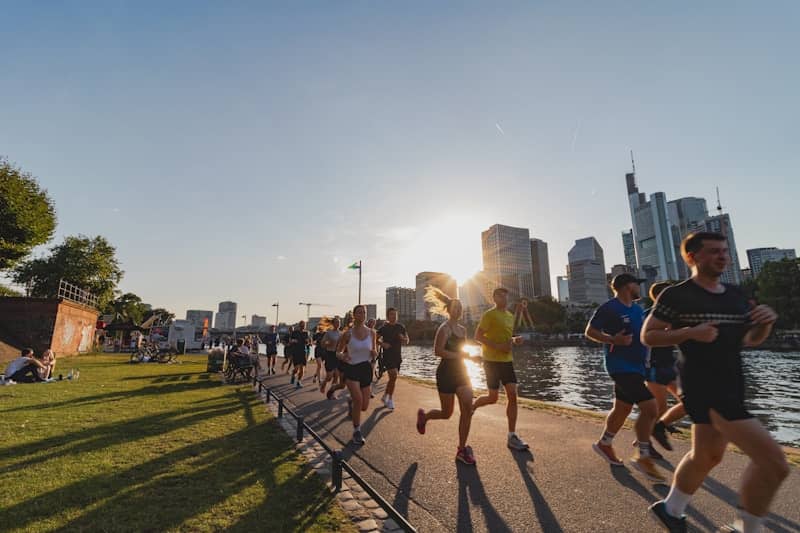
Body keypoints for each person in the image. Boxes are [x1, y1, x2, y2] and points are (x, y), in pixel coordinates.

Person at [644, 232, 789, 532]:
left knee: (707, 455)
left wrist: (765, 324)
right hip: (704, 387)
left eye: (724, 251)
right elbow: (649, 335)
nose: (722, 256)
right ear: (692, 257)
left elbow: (749, 340)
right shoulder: (676, 295)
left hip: (732, 383)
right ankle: (747, 527)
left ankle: (671, 510)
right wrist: (689, 333)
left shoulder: (736, 295)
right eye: (713, 251)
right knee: (774, 463)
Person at [585, 273, 666, 483]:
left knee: (623, 408)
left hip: (637, 367)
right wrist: (613, 339)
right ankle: (643, 455)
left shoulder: (638, 310)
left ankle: (605, 443)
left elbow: (644, 336)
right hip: (619, 366)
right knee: (650, 408)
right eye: (635, 284)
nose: (639, 287)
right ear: (624, 286)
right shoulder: (609, 307)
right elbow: (590, 331)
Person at [416, 288, 478, 465]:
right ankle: (425, 417)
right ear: (448, 310)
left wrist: (472, 358)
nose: (458, 310)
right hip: (446, 374)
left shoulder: (463, 330)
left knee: (467, 406)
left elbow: (462, 352)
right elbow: (438, 351)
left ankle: (461, 448)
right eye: (455, 307)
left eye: (460, 307)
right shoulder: (444, 328)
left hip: (461, 372)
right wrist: (461, 356)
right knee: (446, 413)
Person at [471, 287, 529, 452]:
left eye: (506, 296)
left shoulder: (510, 316)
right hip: (491, 361)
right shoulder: (489, 315)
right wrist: (497, 347)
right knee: (493, 398)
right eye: (501, 295)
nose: (504, 298)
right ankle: (473, 406)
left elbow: (506, 338)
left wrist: (514, 340)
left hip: (507, 361)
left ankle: (512, 436)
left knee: (512, 394)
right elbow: (478, 336)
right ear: (494, 298)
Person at [645, 281, 686, 453]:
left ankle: (664, 424)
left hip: (670, 365)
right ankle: (644, 442)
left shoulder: (675, 315)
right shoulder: (648, 316)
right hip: (653, 366)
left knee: (689, 401)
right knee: (659, 407)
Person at [336, 305, 377, 445]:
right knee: (359, 400)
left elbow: (374, 350)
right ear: (354, 315)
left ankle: (351, 403)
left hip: (366, 369)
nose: (362, 314)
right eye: (359, 312)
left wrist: (374, 353)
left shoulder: (372, 333)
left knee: (364, 406)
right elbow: (338, 352)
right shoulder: (347, 334)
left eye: (364, 312)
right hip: (352, 368)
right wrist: (343, 357)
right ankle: (356, 432)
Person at [376, 307, 409, 410]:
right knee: (393, 376)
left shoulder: (401, 327)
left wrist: (403, 339)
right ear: (388, 316)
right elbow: (374, 339)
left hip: (397, 356)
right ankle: (390, 399)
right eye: (391, 314)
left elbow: (407, 340)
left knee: (392, 379)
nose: (393, 316)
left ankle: (385, 396)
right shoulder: (384, 328)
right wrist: (382, 343)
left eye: (395, 315)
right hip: (388, 356)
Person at [319, 317, 343, 397]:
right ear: (333, 324)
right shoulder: (329, 333)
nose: (338, 324)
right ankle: (324, 383)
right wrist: (328, 344)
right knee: (329, 376)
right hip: (330, 354)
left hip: (337, 355)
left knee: (336, 375)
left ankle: (331, 392)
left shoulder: (341, 333)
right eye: (336, 322)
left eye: (339, 322)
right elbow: (322, 344)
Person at [289, 321, 310, 389]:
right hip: (296, 352)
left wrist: (307, 342)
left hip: (303, 351)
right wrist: (293, 341)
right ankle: (293, 375)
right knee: (296, 368)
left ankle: (299, 381)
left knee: (302, 368)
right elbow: (290, 340)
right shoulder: (295, 332)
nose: (302, 326)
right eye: (301, 325)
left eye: (304, 325)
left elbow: (307, 342)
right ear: (299, 326)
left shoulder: (306, 333)